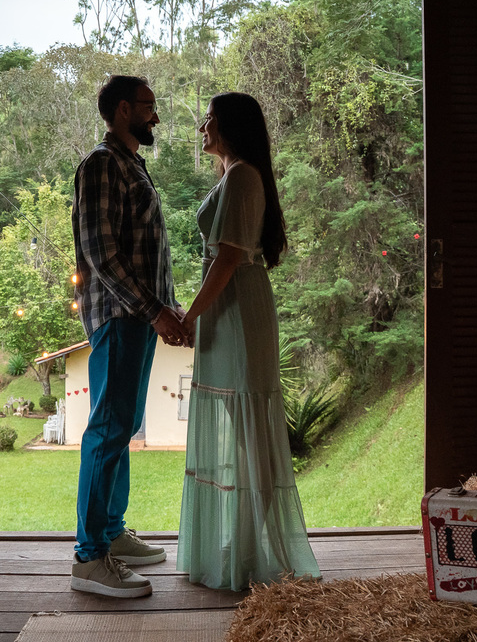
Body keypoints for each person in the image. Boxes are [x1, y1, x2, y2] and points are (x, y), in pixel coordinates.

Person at [178, 92, 321, 591]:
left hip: (237, 307)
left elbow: (229, 257)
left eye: (210, 119)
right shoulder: (233, 174)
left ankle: (249, 546)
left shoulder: (241, 176)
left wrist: (190, 314)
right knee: (242, 432)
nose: (202, 127)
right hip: (230, 307)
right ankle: (240, 541)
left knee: (249, 433)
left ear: (232, 126)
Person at [69, 74, 190, 598]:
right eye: (148, 106)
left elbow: (144, 252)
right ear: (122, 110)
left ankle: (112, 536)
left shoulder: (131, 165)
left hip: (137, 316)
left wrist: (168, 305)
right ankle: (90, 558)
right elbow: (101, 253)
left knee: (124, 426)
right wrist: (151, 309)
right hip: (119, 317)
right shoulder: (101, 164)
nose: (155, 116)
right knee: (108, 428)